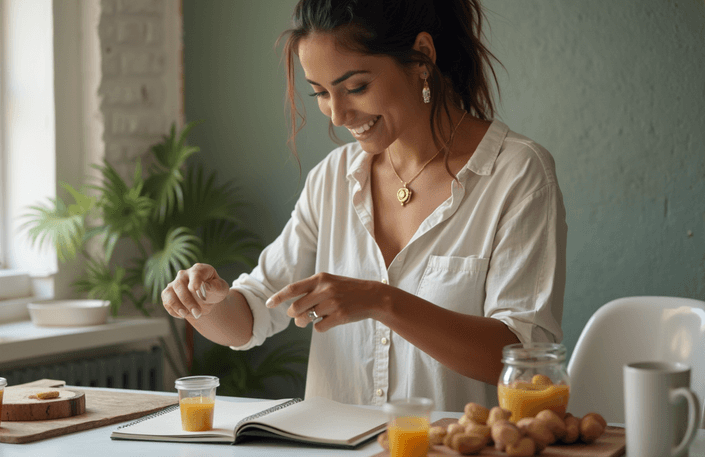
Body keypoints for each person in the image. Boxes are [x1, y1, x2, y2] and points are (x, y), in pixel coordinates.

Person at [162, 0, 566, 411]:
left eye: (355, 87)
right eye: (320, 92)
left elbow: (522, 359)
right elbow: (253, 313)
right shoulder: (332, 178)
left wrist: (381, 301)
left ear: (422, 57)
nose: (337, 115)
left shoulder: (517, 173)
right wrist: (205, 303)